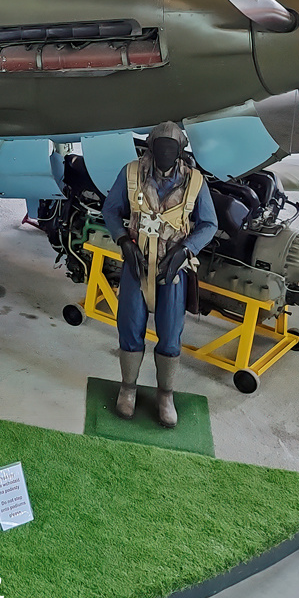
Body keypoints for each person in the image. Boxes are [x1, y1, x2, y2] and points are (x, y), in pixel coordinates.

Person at [100, 121, 217, 428]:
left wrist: (185, 250)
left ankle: (165, 394)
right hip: (136, 264)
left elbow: (209, 224)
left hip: (173, 271)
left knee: (170, 332)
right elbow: (110, 209)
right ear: (150, 147)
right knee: (129, 324)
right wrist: (123, 241)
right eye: (159, 147)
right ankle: (128, 387)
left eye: (172, 148)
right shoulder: (131, 174)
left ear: (180, 151)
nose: (165, 154)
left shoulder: (194, 183)